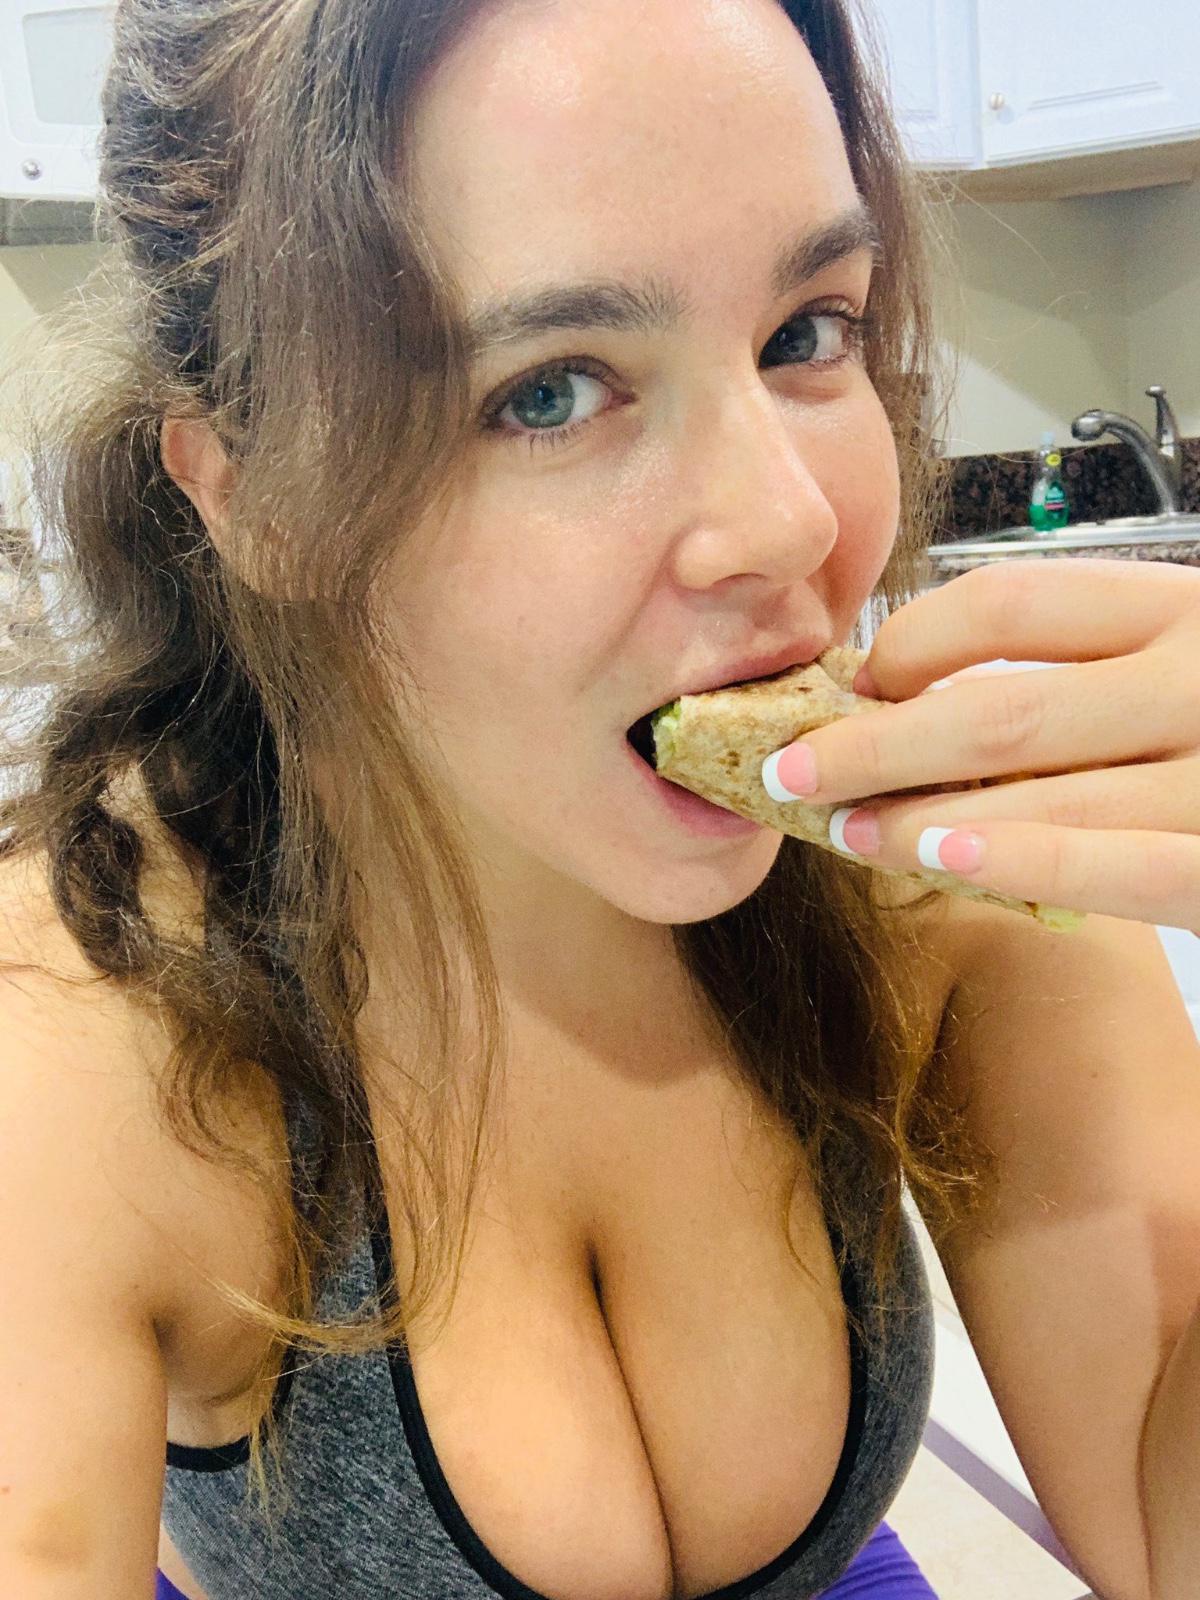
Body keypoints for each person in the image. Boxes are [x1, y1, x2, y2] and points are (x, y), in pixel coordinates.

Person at [3, 0, 1198, 1596]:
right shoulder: (89, 1037)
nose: (789, 526)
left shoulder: (950, 868)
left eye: (807, 331)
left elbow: (1165, 1517)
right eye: (552, 391)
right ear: (253, 496)